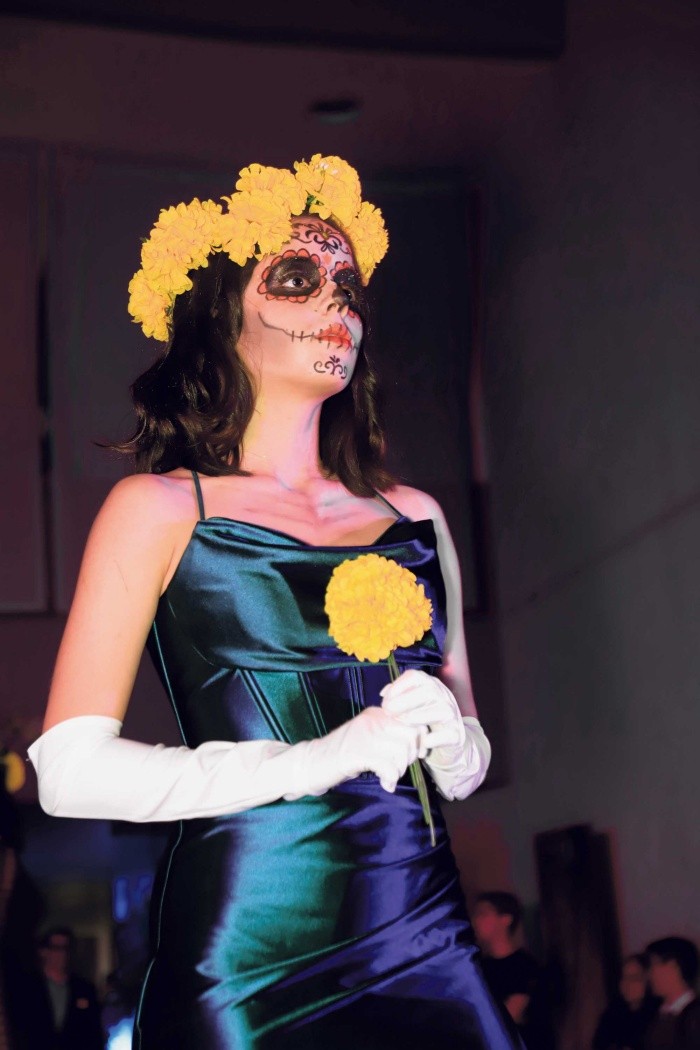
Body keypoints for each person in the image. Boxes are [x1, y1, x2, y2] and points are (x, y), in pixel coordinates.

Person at [27, 156, 521, 1049]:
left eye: (348, 287)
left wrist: (454, 738)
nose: (338, 305)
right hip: (253, 943)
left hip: (422, 927)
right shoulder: (159, 509)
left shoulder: (414, 516)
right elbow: (69, 772)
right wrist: (317, 759)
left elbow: (466, 762)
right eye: (298, 279)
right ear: (223, 315)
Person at [472, 891, 555, 1048]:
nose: (476, 920)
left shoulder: (524, 967)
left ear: (506, 919)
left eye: (483, 914)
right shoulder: (479, 968)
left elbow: (507, 1018)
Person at [15, 927, 104, 1050]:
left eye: (66, 948)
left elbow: (93, 1032)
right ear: (43, 952)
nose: (63, 954)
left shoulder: (84, 989)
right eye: (57, 948)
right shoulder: (28, 989)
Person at [643, 937, 700, 1050]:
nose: (649, 974)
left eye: (653, 965)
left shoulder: (695, 1017)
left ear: (673, 966)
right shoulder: (657, 1015)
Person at [592, 953, 659, 1050]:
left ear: (648, 981)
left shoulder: (658, 1016)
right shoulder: (611, 1015)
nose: (627, 984)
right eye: (624, 978)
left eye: (634, 978)